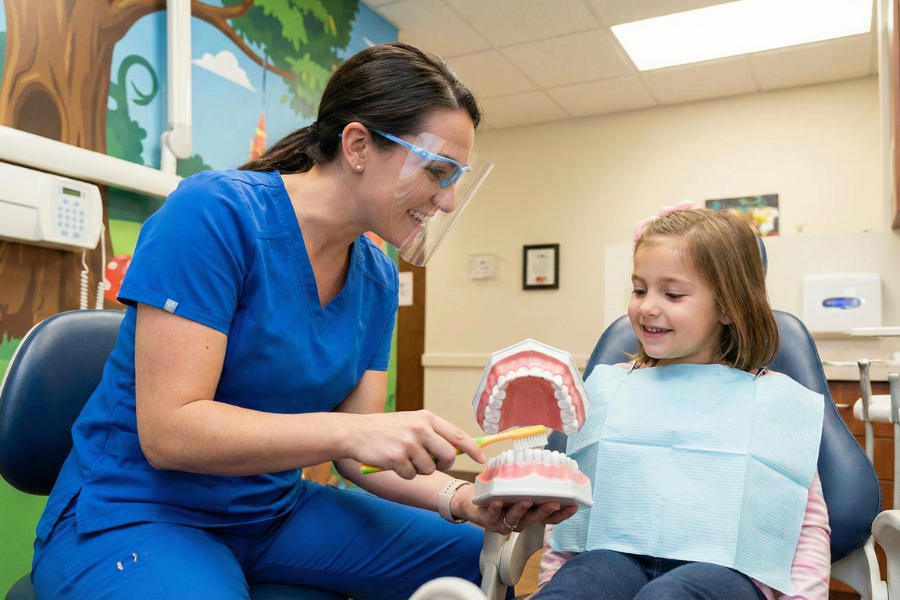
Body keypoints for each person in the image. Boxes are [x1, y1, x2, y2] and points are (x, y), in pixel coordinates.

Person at [30, 41, 576, 600]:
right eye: (438, 171)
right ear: (359, 145)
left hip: (270, 511)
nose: (449, 200)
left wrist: (464, 499)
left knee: (470, 557)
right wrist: (355, 431)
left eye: (456, 176)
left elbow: (359, 461)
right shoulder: (213, 216)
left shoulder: (378, 277)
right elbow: (170, 432)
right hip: (137, 509)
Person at [529, 206, 831, 600]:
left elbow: (803, 525)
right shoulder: (610, 390)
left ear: (726, 306)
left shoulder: (773, 402)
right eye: (639, 289)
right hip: (614, 556)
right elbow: (571, 510)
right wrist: (553, 581)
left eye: (672, 294)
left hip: (726, 570)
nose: (648, 306)